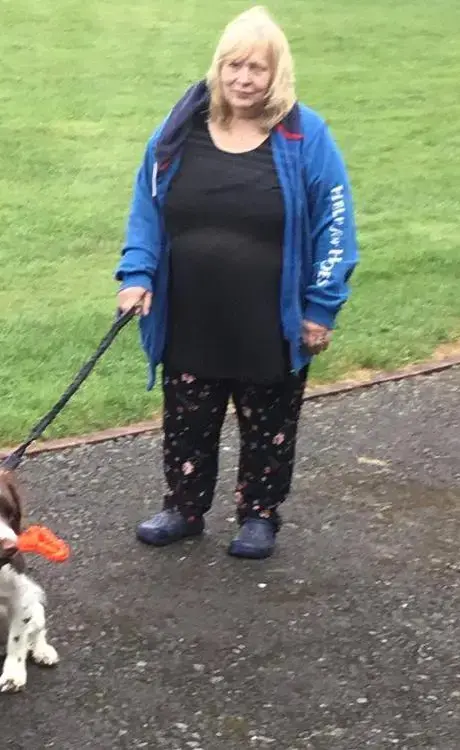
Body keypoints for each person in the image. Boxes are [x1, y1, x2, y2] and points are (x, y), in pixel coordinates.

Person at [114, 5, 358, 559]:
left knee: (269, 420)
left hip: (268, 316)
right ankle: (184, 506)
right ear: (217, 67)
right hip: (191, 311)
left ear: (278, 74)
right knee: (186, 420)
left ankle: (259, 515)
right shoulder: (180, 128)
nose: (244, 79)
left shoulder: (304, 134)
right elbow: (146, 209)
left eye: (258, 68)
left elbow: (335, 225)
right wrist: (136, 274)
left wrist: (321, 307)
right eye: (234, 66)